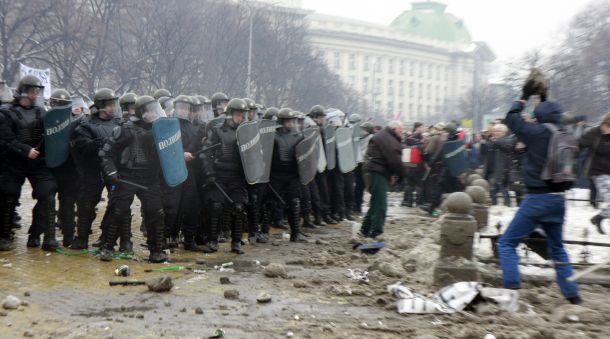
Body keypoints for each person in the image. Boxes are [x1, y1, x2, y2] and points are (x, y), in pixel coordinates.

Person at [498, 80, 581, 304]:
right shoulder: (566, 135)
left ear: (540, 117)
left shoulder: (536, 133)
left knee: (506, 243)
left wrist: (523, 96)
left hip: (537, 199)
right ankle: (573, 295)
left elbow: (512, 118)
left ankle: (511, 289)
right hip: (559, 200)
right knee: (558, 248)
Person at [98, 95, 168, 263]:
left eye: (155, 111)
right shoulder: (126, 129)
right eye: (150, 111)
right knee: (118, 211)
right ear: (141, 112)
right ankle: (107, 247)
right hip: (127, 177)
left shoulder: (159, 130)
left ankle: (156, 250)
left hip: (149, 179)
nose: (153, 114)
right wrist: (112, 173)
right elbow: (105, 153)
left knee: (156, 213)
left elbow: (169, 154)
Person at [0, 75, 58, 251]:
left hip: (38, 161)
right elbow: (5, 139)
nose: (35, 95)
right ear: (23, 91)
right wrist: (25, 150)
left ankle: (44, 235)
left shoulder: (42, 112)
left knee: (47, 193)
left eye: (37, 91)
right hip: (13, 162)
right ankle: (4, 234)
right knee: (8, 195)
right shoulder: (5, 112)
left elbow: (51, 135)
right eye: (32, 91)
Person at [70, 88, 121, 250]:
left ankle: (106, 237)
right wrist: (97, 143)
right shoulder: (85, 124)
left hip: (112, 169)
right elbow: (80, 145)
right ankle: (81, 238)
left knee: (116, 203)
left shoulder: (118, 123)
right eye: (109, 105)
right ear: (100, 106)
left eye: (114, 104)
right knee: (86, 205)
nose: (112, 108)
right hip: (91, 170)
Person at [202, 98, 250, 254]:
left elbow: (252, 156)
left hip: (237, 176)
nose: (240, 118)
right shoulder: (217, 130)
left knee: (238, 207)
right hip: (219, 175)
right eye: (238, 114)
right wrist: (209, 172)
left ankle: (236, 242)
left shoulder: (245, 133)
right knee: (216, 206)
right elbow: (207, 152)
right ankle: (212, 240)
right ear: (230, 114)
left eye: (243, 115)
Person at [360, 121, 407, 238]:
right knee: (381, 204)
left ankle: (365, 229)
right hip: (376, 172)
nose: (402, 133)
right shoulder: (389, 139)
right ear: (395, 129)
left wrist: (391, 174)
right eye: (401, 131)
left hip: (373, 171)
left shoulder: (384, 136)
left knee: (376, 202)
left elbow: (387, 159)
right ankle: (376, 232)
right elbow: (394, 161)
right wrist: (402, 175)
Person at [47, 89, 80, 247]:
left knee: (67, 203)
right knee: (47, 201)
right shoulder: (45, 120)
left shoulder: (76, 122)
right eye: (57, 104)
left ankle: (68, 236)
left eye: (62, 105)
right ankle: (48, 237)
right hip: (50, 168)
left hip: (69, 169)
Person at [270, 109, 307, 242]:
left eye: (292, 121)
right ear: (281, 122)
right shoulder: (273, 136)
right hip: (276, 175)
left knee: (295, 202)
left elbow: (305, 156)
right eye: (287, 121)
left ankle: (296, 232)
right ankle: (263, 232)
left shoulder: (299, 136)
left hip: (292, 175)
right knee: (272, 203)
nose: (290, 124)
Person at [580, 112, 610, 234]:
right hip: (598, 172)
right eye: (606, 126)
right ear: (603, 123)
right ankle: (599, 218)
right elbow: (578, 144)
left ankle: (599, 218)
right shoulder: (594, 133)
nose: (606, 130)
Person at [482, 124, 514, 207]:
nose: (496, 133)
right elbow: (484, 152)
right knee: (493, 190)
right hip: (492, 170)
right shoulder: (492, 141)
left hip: (502, 171)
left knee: (503, 189)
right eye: (495, 131)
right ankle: (494, 205)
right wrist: (483, 143)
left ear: (504, 132)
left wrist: (494, 140)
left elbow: (505, 145)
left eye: (498, 131)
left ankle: (507, 206)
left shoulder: (508, 140)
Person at [402, 122, 425, 207]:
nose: (423, 129)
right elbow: (423, 150)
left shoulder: (408, 137)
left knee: (409, 183)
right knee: (418, 183)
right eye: (422, 127)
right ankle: (418, 202)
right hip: (418, 163)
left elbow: (403, 147)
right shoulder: (420, 138)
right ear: (417, 128)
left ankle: (409, 201)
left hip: (408, 162)